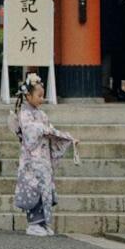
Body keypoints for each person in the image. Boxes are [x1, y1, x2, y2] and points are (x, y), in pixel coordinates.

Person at [10, 72, 77, 235]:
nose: (42, 99)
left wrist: (67, 137)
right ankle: (33, 223)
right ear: (28, 95)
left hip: (43, 158)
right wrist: (43, 129)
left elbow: (50, 130)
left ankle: (43, 222)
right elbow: (30, 132)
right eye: (39, 95)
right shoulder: (24, 114)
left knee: (44, 188)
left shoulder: (42, 114)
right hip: (31, 160)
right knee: (34, 188)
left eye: (43, 96)